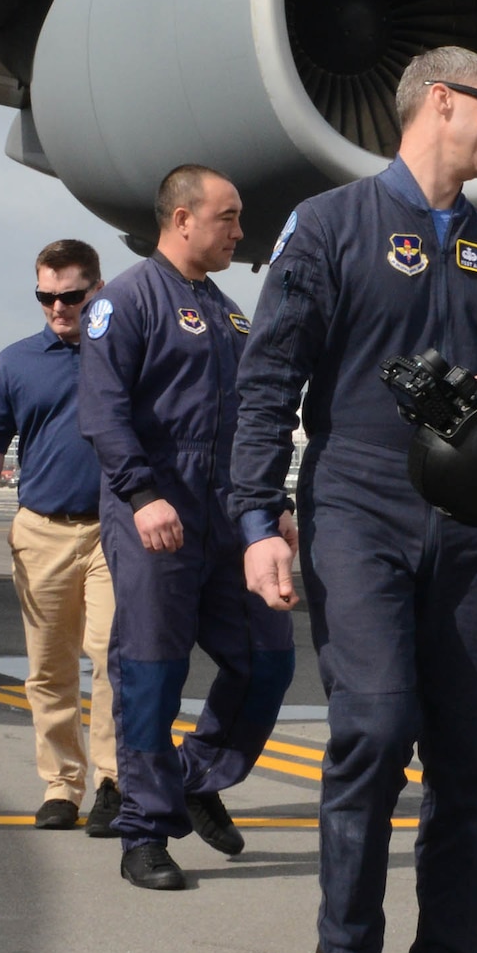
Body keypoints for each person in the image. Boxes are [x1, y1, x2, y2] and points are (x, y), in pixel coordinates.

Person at [231, 47, 477, 953]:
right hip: (357, 505)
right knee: (371, 728)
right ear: (443, 101)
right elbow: (267, 377)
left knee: (468, 763)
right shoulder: (328, 227)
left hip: (469, 528)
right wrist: (253, 520)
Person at [78, 165, 296, 892]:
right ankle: (144, 831)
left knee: (268, 656)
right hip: (155, 513)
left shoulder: (232, 315)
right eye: (227, 217)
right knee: (151, 672)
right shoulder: (127, 302)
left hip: (228, 517)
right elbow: (104, 412)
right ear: (181, 219)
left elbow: (254, 421)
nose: (239, 231)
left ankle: (197, 774)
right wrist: (142, 494)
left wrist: (270, 503)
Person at [0, 239, 120, 835]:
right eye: (46, 297)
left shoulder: (127, 351)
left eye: (71, 296)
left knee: (113, 657)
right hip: (42, 532)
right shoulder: (14, 363)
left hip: (114, 531)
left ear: (96, 289)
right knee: (49, 668)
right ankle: (61, 783)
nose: (59, 307)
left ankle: (112, 781)